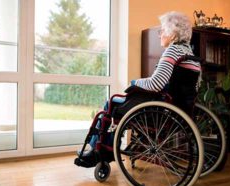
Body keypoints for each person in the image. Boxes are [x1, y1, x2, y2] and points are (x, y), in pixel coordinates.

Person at [77, 11, 201, 160]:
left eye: (162, 30)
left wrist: (134, 82)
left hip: (158, 111)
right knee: (118, 104)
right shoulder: (191, 56)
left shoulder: (173, 51)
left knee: (111, 103)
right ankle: (104, 148)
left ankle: (98, 150)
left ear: (173, 34)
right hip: (178, 110)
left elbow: (156, 83)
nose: (159, 34)